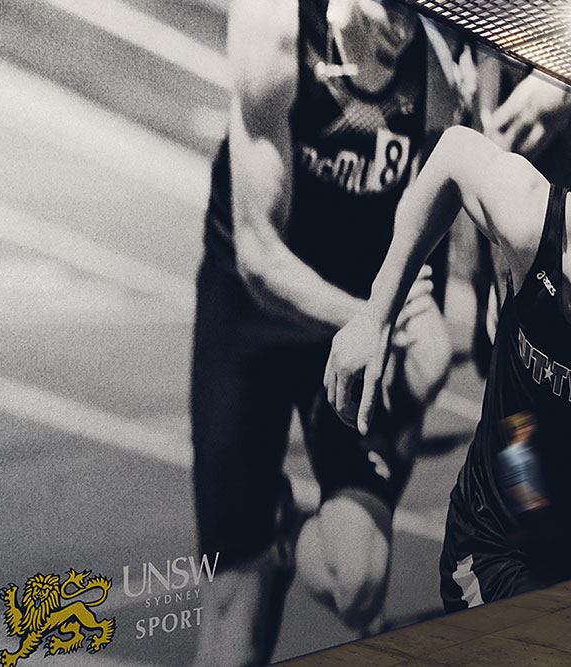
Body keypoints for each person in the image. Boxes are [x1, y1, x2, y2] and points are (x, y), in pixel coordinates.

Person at [190, 1, 452, 664]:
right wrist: (374, 325)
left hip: (360, 311)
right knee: (230, 616)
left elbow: (427, 234)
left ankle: (284, 540)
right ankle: (257, 549)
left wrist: (425, 324)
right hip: (254, 315)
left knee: (358, 580)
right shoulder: (274, 32)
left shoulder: (438, 69)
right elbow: (259, 259)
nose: (402, 26)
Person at [324, 124, 571, 609]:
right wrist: (377, 314)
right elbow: (454, 151)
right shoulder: (529, 224)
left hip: (555, 552)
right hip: (487, 544)